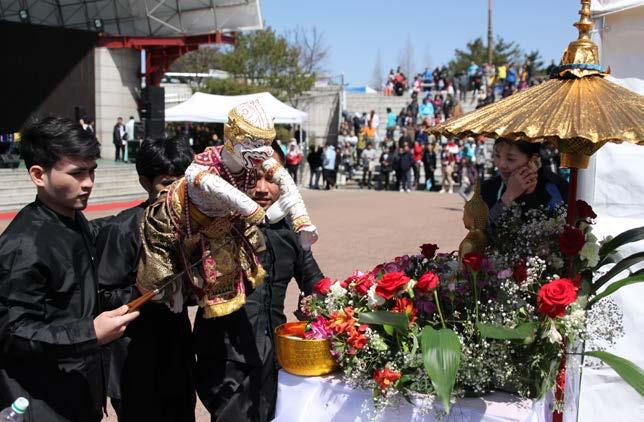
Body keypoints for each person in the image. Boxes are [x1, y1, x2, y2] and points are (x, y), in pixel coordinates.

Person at [0, 116, 139, 422]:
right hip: (42, 403)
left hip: (79, 390)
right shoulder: (23, 246)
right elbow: (12, 332)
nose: (88, 182)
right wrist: (89, 333)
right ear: (38, 174)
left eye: (91, 171)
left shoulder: (75, 221)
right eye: (77, 173)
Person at [194, 142, 324, 422]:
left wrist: (329, 301)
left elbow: (314, 282)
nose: (262, 189)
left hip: (277, 361)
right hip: (227, 363)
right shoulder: (213, 228)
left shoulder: (290, 232)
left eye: (271, 178)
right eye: (253, 178)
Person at [95, 136, 196, 422]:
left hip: (177, 353)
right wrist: (145, 290)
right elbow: (103, 295)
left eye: (182, 182)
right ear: (144, 182)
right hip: (134, 359)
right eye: (166, 182)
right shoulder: (122, 229)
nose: (175, 191)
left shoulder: (191, 228)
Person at [481, 139, 568, 236]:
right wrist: (508, 196)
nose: (501, 165)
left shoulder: (556, 187)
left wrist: (529, 196)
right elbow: (479, 234)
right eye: (497, 155)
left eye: (510, 159)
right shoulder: (487, 187)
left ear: (533, 160)